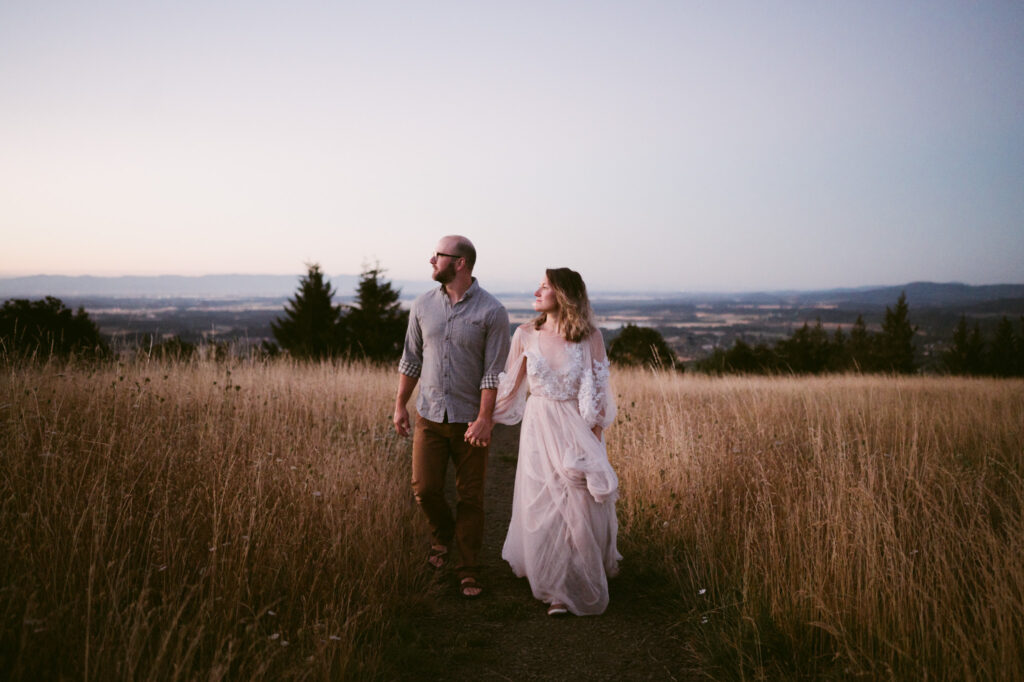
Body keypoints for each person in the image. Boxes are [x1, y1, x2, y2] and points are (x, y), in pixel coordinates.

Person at [493, 268, 620, 616]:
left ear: (563, 295)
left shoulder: (590, 336)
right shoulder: (524, 334)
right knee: (544, 504)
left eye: (545, 287)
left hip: (576, 429)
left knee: (579, 503)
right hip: (538, 427)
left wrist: (592, 444)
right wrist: (480, 418)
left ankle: (579, 579)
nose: (537, 291)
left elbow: (598, 395)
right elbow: (508, 390)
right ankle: (554, 584)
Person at [393, 235, 510, 599]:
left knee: (470, 497)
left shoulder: (492, 312)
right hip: (429, 414)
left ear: (460, 262)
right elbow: (411, 359)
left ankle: (469, 567)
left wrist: (485, 419)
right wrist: (400, 404)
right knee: (425, 489)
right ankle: (442, 535)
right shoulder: (421, 305)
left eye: (438, 256)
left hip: (469, 421)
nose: (431, 260)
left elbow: (493, 373)